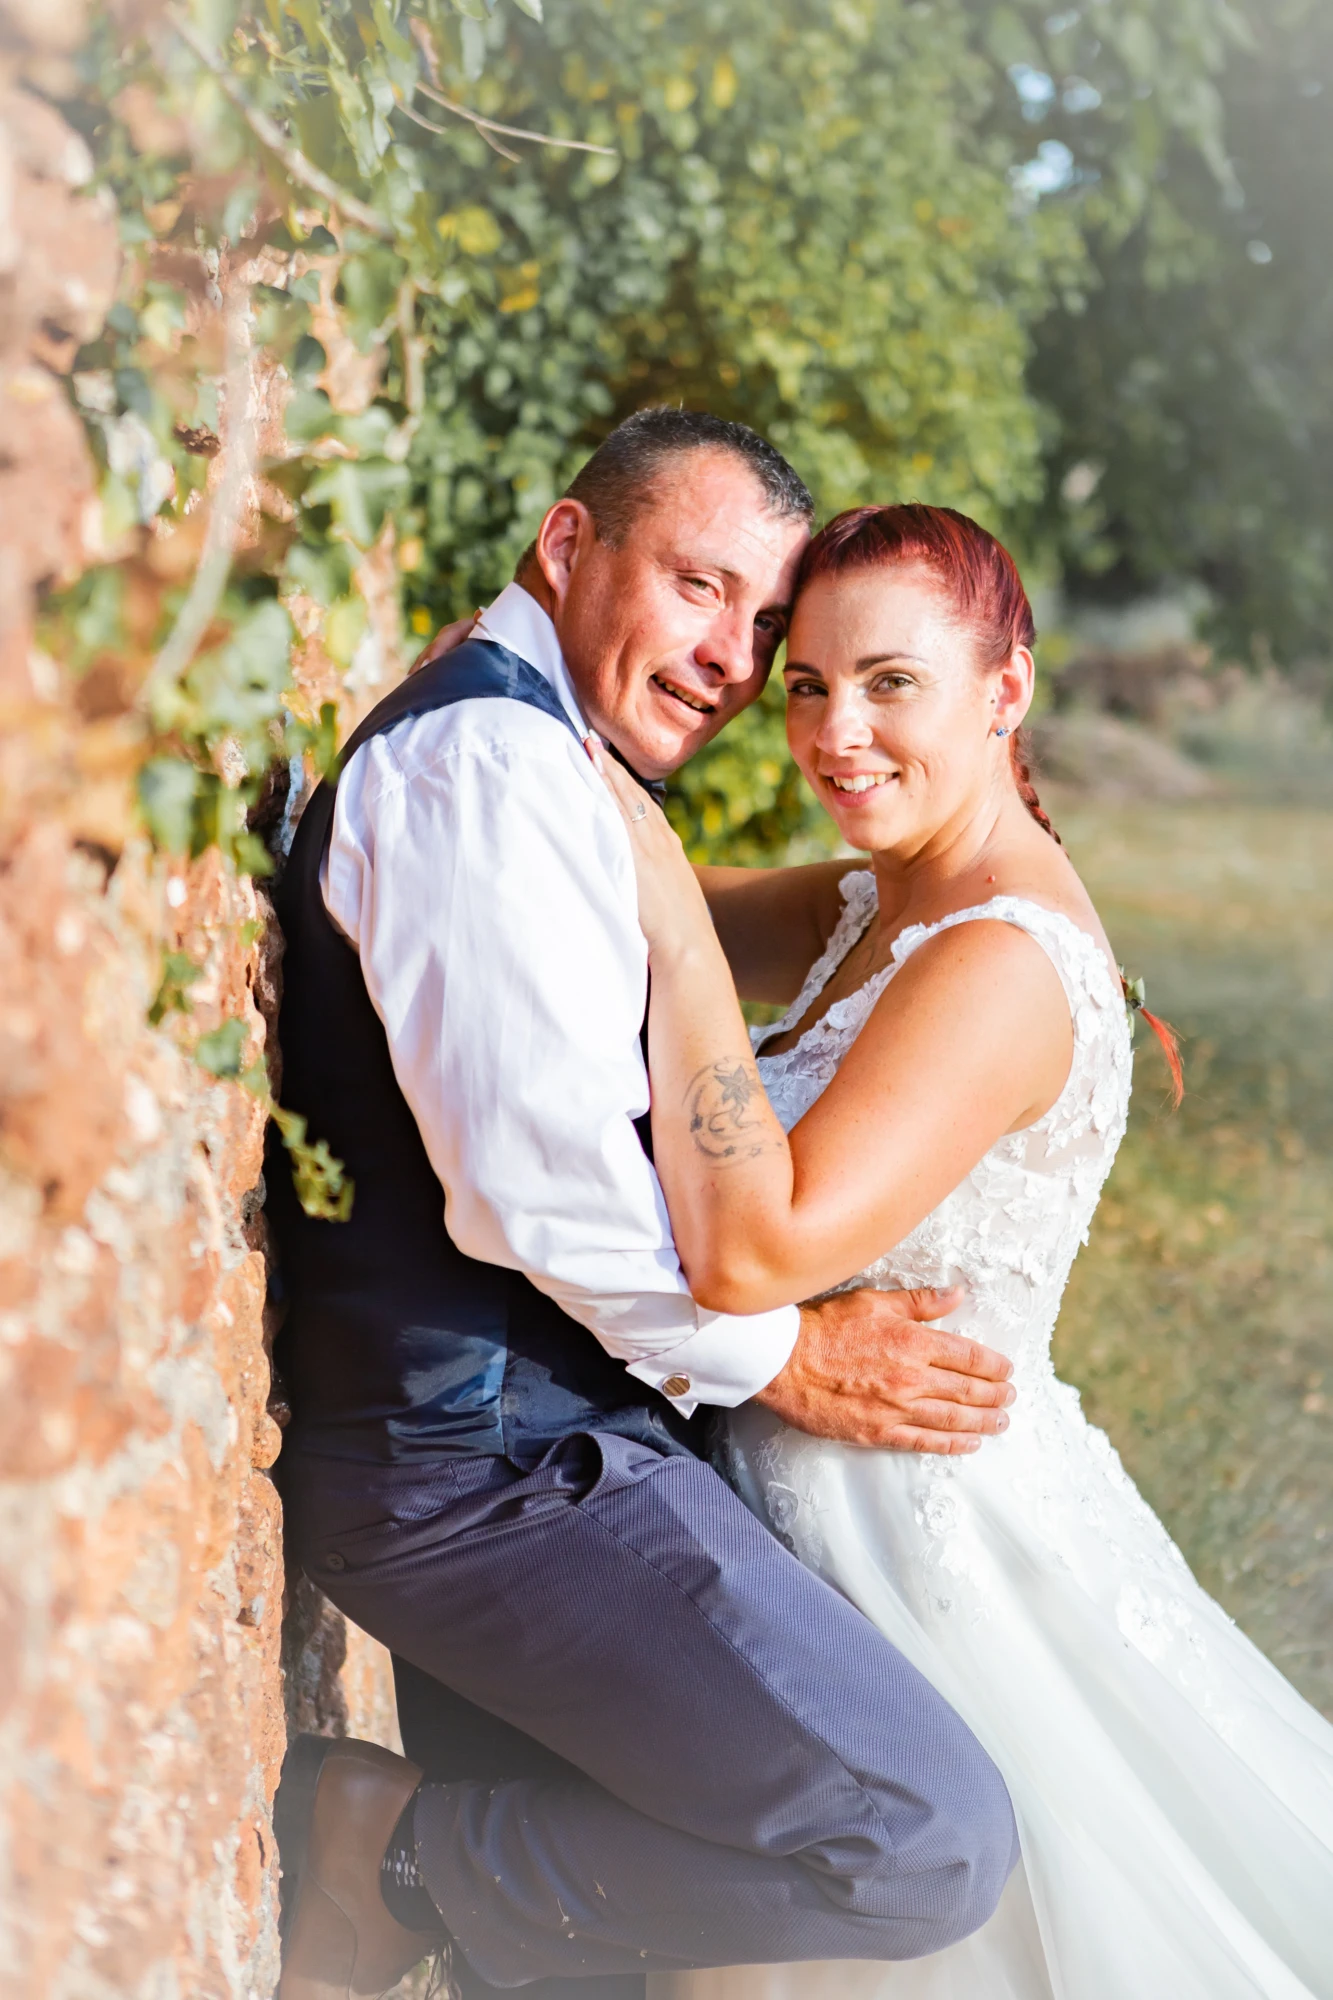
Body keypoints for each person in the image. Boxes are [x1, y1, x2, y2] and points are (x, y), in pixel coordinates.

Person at [266, 413, 1021, 2000]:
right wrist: (791, 1362)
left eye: (764, 627)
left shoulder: (553, 755)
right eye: (700, 586)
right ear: (566, 545)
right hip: (476, 1469)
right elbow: (542, 1198)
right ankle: (377, 1854)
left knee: (577, 1971)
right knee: (924, 1838)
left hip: (543, 1439)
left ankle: (426, 1881)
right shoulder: (489, 765)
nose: (732, 658)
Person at [592, 502, 1333, 2000]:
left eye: (890, 684)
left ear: (1007, 691)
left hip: (917, 1550)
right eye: (804, 685)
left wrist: (679, 940)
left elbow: (761, 1247)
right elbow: (607, 897)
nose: (835, 733)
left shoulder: (997, 962)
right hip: (800, 1508)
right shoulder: (876, 905)